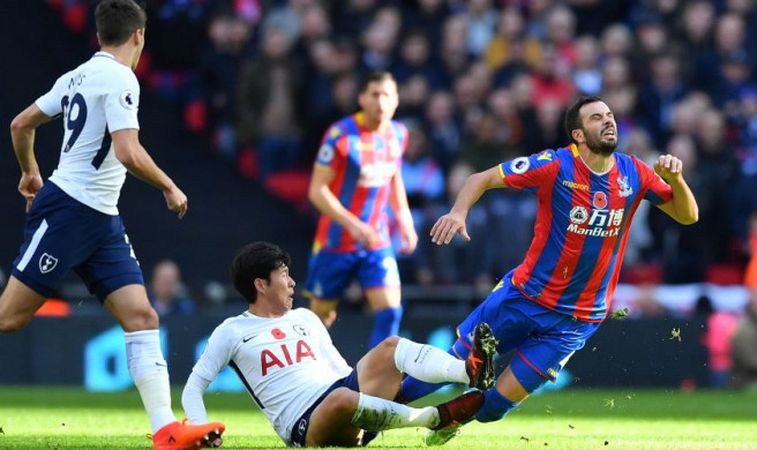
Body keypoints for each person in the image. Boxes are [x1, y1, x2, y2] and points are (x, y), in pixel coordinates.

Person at [402, 95, 699, 445]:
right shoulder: (555, 165)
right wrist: (458, 213)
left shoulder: (635, 172)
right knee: (450, 366)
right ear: (577, 134)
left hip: (576, 320)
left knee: (495, 407)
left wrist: (676, 180)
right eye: (596, 118)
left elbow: (687, 215)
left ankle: (448, 417)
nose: (608, 121)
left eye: (609, 115)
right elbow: (479, 178)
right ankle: (375, 409)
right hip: (524, 297)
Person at [0, 1, 224, 449]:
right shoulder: (122, 78)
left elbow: (22, 124)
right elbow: (127, 151)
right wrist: (169, 186)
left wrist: (29, 171)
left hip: (102, 218)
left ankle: (166, 432)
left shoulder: (77, 75)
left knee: (142, 316)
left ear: (101, 34)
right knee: (8, 318)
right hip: (68, 210)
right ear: (138, 36)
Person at [182, 242, 497, 448]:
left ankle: (468, 372)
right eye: (283, 275)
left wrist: (375, 399)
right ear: (261, 285)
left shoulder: (305, 317)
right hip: (305, 424)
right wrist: (199, 430)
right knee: (342, 398)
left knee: (390, 345)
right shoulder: (232, 331)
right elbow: (193, 386)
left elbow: (340, 369)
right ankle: (436, 418)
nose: (292, 282)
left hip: (344, 394)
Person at [305, 71, 418, 349]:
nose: (380, 102)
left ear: (396, 101)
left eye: (386, 95)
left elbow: (394, 176)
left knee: (391, 310)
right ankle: (309, 380)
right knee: (321, 317)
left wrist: (404, 220)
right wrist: (353, 224)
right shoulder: (340, 136)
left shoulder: (399, 135)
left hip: (375, 238)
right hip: (336, 241)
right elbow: (316, 191)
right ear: (362, 99)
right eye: (375, 94)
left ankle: (373, 382)